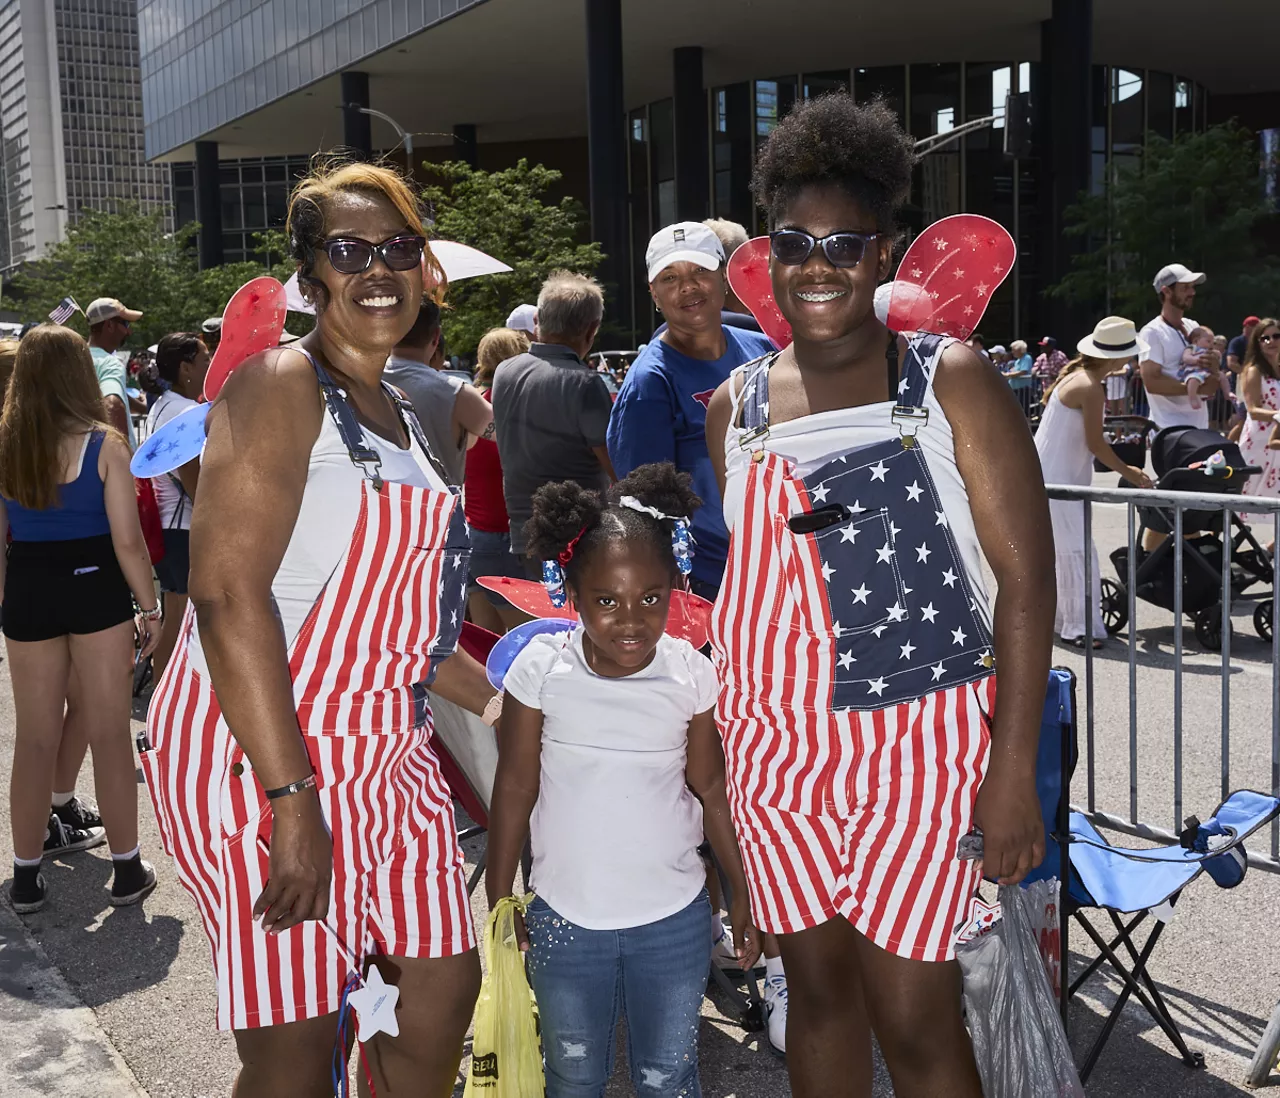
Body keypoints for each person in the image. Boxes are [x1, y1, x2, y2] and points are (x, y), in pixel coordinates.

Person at [703, 95, 1052, 1098]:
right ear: (767, 252)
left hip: (917, 743)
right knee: (815, 996)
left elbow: (1026, 586)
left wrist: (1012, 767)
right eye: (794, 242)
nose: (817, 263)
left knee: (912, 1008)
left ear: (883, 250)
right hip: (773, 750)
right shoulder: (738, 404)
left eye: (843, 243)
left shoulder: (948, 382)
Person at [141, 161, 498, 1096]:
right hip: (259, 748)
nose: (376, 268)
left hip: (387, 740)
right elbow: (223, 598)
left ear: (425, 270)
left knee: (437, 991)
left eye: (398, 249)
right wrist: (292, 802)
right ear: (310, 275)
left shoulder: (411, 414)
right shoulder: (279, 382)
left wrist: (513, 705)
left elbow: (408, 638)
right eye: (349, 250)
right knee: (293, 1050)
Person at [486, 463, 761, 1098]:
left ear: (673, 591)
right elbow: (515, 787)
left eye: (650, 599)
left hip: (674, 921)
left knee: (668, 1078)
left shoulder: (690, 672)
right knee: (574, 1076)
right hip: (564, 918)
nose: (631, 621)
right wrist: (502, 897)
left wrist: (743, 894)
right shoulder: (540, 670)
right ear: (572, 597)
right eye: (607, 601)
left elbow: (712, 789)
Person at [0, 325, 162, 913]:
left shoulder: (6, 443)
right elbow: (127, 543)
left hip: (29, 592)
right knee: (109, 736)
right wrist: (151, 608)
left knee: (34, 739)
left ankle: (24, 877)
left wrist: (6, 606)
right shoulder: (105, 443)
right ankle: (124, 870)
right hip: (96, 592)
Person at [608, 222, 774, 600]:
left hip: (779, 556)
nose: (688, 287)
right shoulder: (649, 382)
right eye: (670, 277)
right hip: (709, 580)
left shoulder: (763, 348)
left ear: (724, 277)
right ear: (654, 294)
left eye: (700, 270)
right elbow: (643, 507)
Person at [1035, 318, 1153, 649]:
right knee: (1075, 550)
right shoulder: (1089, 386)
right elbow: (1096, 444)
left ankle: (1067, 621)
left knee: (1069, 550)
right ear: (1117, 359)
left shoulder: (1080, 379)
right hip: (1059, 480)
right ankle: (1077, 627)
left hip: (1055, 476)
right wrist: (1130, 472)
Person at [491, 271, 615, 577]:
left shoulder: (505, 371)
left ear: (538, 322)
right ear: (592, 330)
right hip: (580, 540)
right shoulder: (586, 384)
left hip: (523, 535)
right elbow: (617, 466)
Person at [145, 332, 211, 680]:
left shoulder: (164, 404)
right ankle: (163, 700)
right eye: (204, 360)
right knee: (180, 617)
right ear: (186, 368)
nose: (210, 365)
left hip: (169, 527)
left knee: (175, 615)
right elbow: (193, 478)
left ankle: (160, 694)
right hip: (182, 528)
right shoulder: (185, 412)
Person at [463, 326, 531, 634]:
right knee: (527, 641)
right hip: (515, 537)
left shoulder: (468, 408)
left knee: (485, 639)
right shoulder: (526, 412)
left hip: (475, 536)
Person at [383, 299, 493, 486]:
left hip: (375, 509)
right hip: (439, 511)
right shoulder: (456, 393)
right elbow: (511, 434)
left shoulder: (356, 383)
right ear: (436, 337)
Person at [1138, 263, 1219, 431]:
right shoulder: (1152, 332)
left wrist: (1213, 366)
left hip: (1198, 427)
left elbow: (1210, 367)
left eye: (1192, 287)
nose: (1192, 292)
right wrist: (1195, 388)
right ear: (1166, 291)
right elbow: (1152, 382)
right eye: (1185, 288)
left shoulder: (1193, 326)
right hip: (1169, 429)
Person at [1237, 318, 1280, 527]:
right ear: (1258, 342)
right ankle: (1215, 546)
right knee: (1241, 500)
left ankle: (1268, 549)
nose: (1271, 341)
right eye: (1265, 338)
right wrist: (1278, 415)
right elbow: (1252, 410)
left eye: (1276, 336)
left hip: (1277, 442)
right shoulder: (1254, 370)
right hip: (1258, 444)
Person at [86, 297, 144, 448]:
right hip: (113, 464)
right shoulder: (110, 363)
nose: (129, 331)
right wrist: (124, 457)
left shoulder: (76, 359)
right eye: (125, 324)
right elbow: (112, 405)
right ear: (110, 325)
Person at [1179, 325, 1231, 411]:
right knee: (1193, 380)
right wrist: (1196, 360)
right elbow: (1186, 358)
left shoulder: (1209, 351)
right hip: (1193, 370)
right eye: (1208, 341)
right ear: (1196, 341)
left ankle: (1227, 393)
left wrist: (1217, 356)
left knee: (1222, 375)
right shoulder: (1192, 348)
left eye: (1213, 342)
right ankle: (1192, 397)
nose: (1211, 344)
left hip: (1206, 371)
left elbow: (1218, 362)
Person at [1003, 338, 1036, 414]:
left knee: (1023, 411)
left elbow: (1023, 371)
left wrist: (1008, 374)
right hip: (1015, 389)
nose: (1012, 352)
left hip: (1023, 390)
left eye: (1014, 349)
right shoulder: (1017, 361)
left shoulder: (1027, 358)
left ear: (1020, 349)